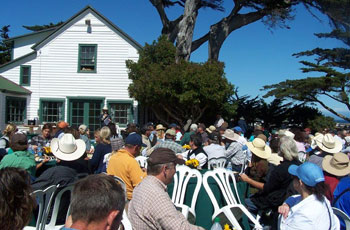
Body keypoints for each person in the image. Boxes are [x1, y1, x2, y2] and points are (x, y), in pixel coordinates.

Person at [128, 148, 204, 230]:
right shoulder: (156, 195)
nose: (175, 171)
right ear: (165, 169)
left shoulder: (142, 185)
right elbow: (178, 228)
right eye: (174, 167)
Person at [242, 136, 301, 217]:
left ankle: (259, 224)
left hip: (274, 201)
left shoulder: (280, 169)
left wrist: (248, 180)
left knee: (243, 204)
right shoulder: (300, 165)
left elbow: (266, 188)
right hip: (289, 199)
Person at [278, 162, 339, 230]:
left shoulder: (304, 215)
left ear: (300, 182)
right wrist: (287, 204)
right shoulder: (323, 199)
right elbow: (295, 198)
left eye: (293, 177)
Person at [107, 133, 147, 200]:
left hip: (114, 196)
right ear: (136, 148)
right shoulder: (131, 162)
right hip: (129, 199)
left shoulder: (112, 158)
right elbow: (140, 185)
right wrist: (146, 174)